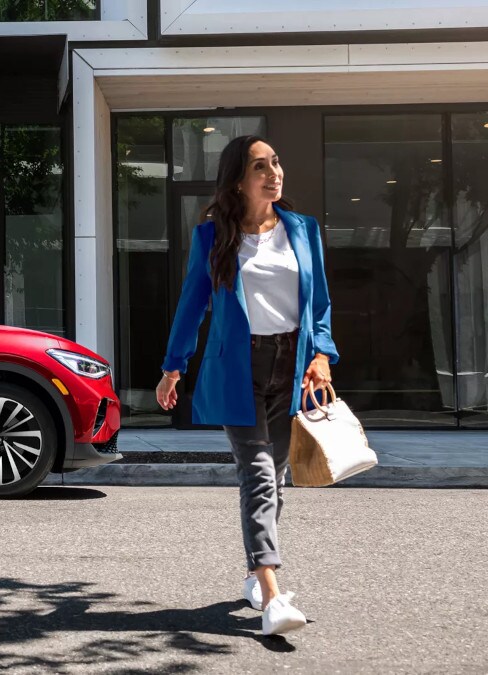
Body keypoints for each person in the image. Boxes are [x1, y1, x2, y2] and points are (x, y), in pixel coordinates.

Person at [155, 135, 337, 637]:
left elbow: (318, 303)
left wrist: (322, 354)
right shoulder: (213, 236)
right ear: (239, 179)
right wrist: (174, 367)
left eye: (276, 162)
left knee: (276, 479)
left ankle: (255, 572)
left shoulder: (303, 229)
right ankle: (273, 596)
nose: (274, 173)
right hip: (239, 367)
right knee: (257, 473)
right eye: (261, 166)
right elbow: (192, 304)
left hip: (292, 363)